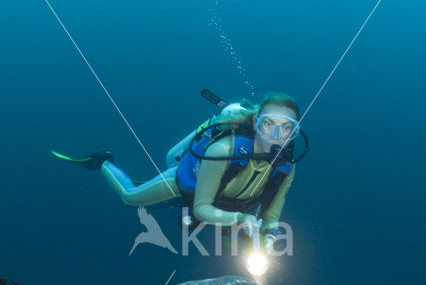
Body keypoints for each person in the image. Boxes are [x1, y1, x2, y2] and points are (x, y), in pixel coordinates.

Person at [53, 92, 301, 250]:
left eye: (287, 128)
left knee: (241, 243)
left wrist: (269, 236)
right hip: (187, 183)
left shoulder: (286, 169)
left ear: (295, 132)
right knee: (131, 198)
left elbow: (271, 217)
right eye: (268, 124)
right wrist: (239, 219)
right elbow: (202, 208)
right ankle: (101, 162)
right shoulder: (223, 150)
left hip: (227, 202)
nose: (275, 136)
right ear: (257, 122)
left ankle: (173, 205)